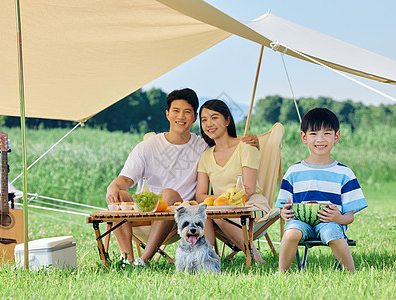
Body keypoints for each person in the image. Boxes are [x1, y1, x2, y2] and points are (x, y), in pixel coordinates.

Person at [106, 88, 259, 266]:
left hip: (178, 216)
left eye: (187, 112)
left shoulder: (202, 146)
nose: (181, 117)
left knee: (169, 194)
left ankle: (144, 260)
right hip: (145, 212)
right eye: (176, 111)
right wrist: (113, 187)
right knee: (120, 196)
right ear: (167, 114)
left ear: (194, 118)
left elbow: (225, 140)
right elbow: (125, 179)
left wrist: (252, 140)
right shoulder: (147, 146)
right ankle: (127, 259)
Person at [276, 107, 368, 272]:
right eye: (313, 134)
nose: (320, 139)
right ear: (304, 137)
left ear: (336, 136)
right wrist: (284, 213)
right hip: (300, 221)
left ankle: (352, 273)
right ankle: (282, 273)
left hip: (331, 222)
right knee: (291, 233)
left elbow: (349, 217)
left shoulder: (344, 173)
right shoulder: (293, 172)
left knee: (331, 233)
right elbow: (283, 209)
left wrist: (338, 218)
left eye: (326, 133)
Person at [195, 99, 270, 264]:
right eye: (204, 120)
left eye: (215, 117)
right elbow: (200, 195)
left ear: (227, 120)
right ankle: (207, 261)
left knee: (217, 214)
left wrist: (219, 203)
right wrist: (219, 203)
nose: (209, 124)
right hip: (218, 210)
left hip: (250, 206)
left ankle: (256, 259)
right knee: (206, 213)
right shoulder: (206, 156)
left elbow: (248, 190)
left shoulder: (246, 147)